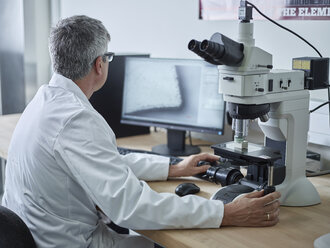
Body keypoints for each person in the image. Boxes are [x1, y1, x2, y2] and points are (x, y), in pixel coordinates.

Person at [2, 15, 280, 248]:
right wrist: (226, 212)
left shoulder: (45, 101)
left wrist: (173, 168)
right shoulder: (76, 119)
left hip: (42, 235)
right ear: (99, 64)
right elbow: (132, 207)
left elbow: (105, 161)